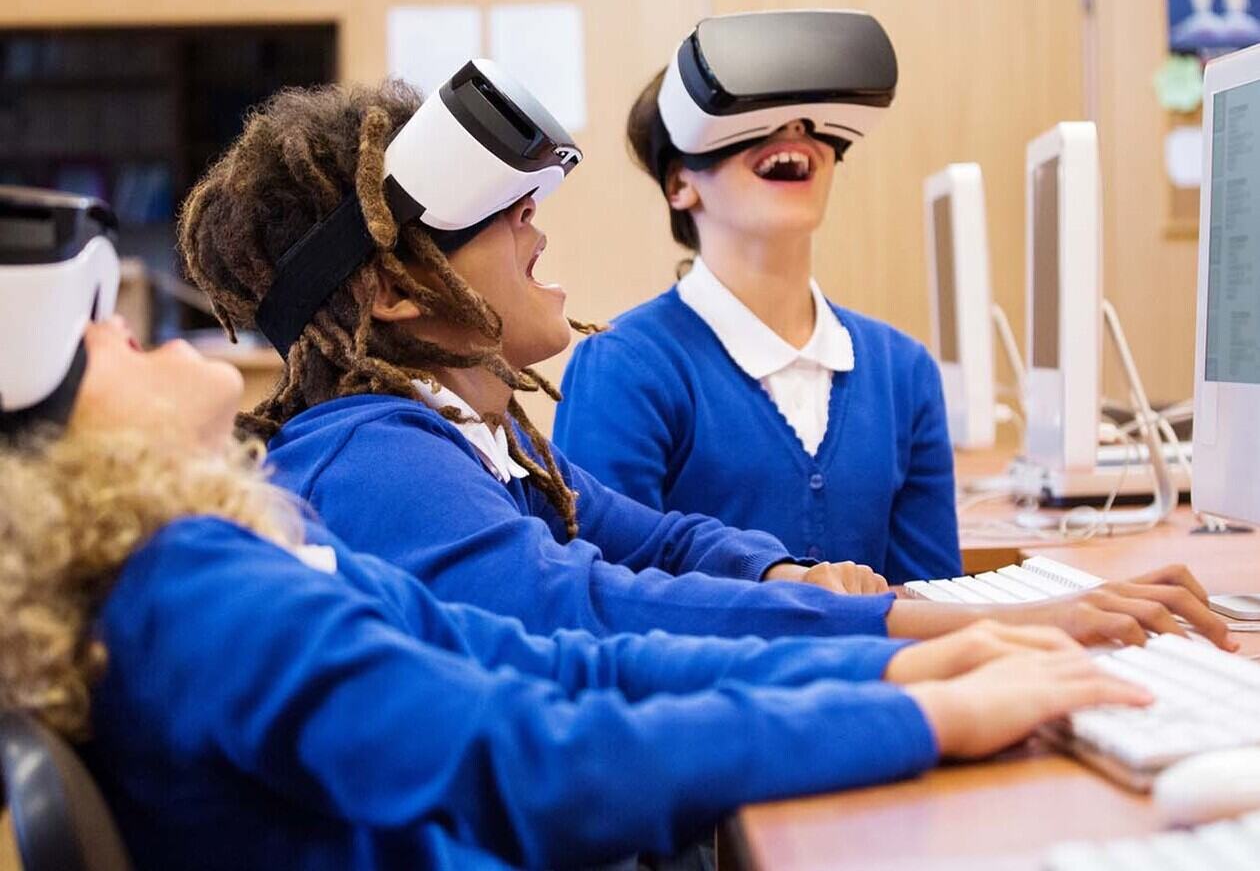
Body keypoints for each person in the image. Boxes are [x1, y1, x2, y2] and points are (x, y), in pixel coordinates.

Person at [0, 184, 1154, 870]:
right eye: (92, 333)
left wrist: (897, 660)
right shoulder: (191, 590)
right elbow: (525, 749)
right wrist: (920, 709)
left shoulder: (206, 557)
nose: (130, 328)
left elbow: (552, 655)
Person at [177, 65, 1232, 650]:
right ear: (399, 288)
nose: (539, 230)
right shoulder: (368, 457)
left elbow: (657, 539)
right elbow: (590, 606)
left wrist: (786, 570)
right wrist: (909, 639)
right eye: (506, 218)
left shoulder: (480, 440)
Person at [554, 10, 945, 580]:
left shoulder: (903, 372)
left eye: (809, 122)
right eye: (755, 121)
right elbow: (610, 598)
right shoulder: (623, 368)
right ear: (679, 183)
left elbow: (938, 601)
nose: (792, 133)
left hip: (885, 670)